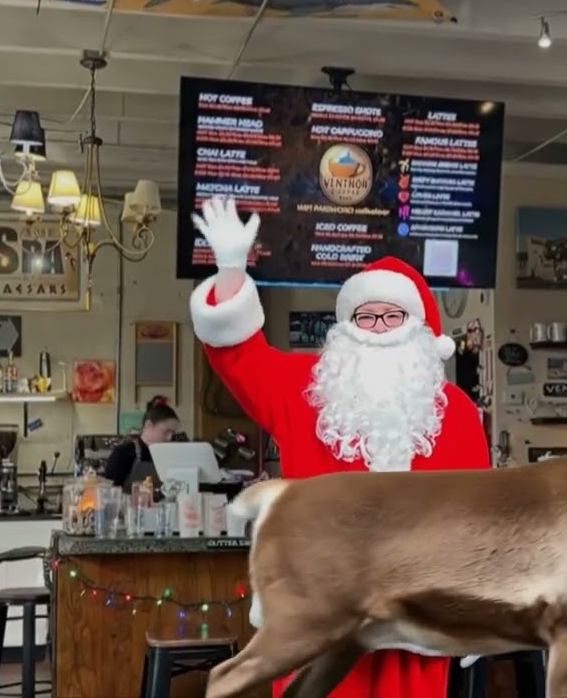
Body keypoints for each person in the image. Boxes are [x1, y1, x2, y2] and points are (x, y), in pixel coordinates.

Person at [189, 196, 491, 698]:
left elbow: (480, 513)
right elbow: (240, 355)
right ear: (346, 326)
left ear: (419, 330)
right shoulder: (305, 389)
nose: (377, 330)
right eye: (365, 317)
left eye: (391, 316)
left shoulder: (455, 410)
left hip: (415, 619)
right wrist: (231, 272)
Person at [102, 396, 182, 490]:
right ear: (148, 425)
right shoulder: (122, 453)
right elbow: (109, 492)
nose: (170, 437)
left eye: (173, 433)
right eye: (166, 431)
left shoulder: (170, 455)